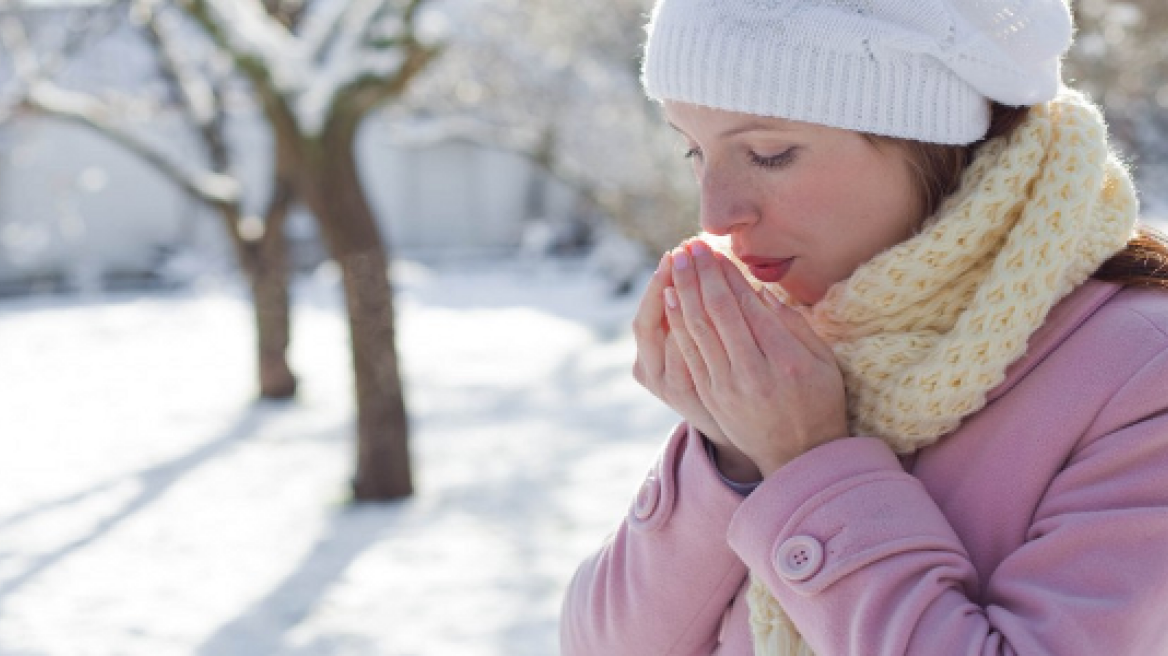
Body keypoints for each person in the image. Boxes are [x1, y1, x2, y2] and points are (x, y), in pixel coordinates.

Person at [560, 0, 1168, 654]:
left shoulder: (1142, 377)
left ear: (928, 139)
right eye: (693, 149)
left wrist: (806, 462)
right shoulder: (809, 336)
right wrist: (730, 455)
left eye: (769, 153)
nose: (716, 212)